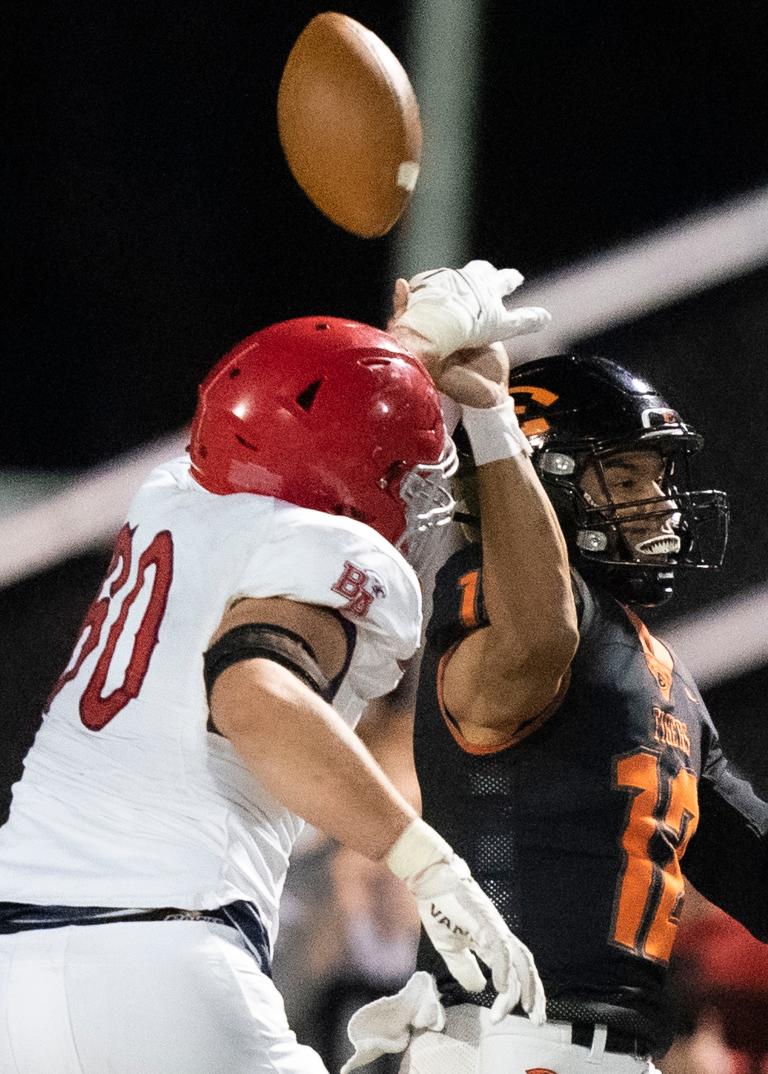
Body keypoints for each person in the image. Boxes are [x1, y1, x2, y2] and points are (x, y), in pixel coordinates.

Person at [0, 261, 551, 1074]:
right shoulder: (332, 546)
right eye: (404, 471)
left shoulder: (173, 494)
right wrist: (426, 865)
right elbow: (254, 696)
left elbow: (304, 422)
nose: (421, 490)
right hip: (166, 962)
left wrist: (407, 351)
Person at [343, 350, 768, 1074]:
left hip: (614, 1049)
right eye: (623, 478)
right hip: (507, 1037)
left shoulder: (654, 668)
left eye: (656, 478)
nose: (660, 504)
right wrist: (491, 424)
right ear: (542, 479)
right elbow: (538, 636)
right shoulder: (496, 597)